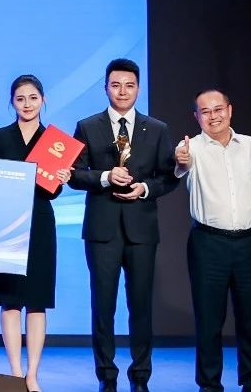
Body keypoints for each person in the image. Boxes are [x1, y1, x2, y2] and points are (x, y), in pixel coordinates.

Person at [68, 58, 180, 392]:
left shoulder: (156, 129)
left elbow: (169, 177)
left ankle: (140, 376)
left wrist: (144, 188)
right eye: (116, 85)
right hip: (101, 230)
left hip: (141, 230)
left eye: (129, 85)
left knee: (140, 306)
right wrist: (105, 177)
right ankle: (107, 376)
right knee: (102, 306)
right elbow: (74, 175)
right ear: (106, 88)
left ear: (138, 89)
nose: (122, 91)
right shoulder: (88, 126)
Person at [175, 89, 251, 392]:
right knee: (209, 318)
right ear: (196, 117)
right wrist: (181, 160)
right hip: (208, 243)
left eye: (218, 109)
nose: (213, 116)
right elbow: (180, 169)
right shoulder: (190, 148)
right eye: (205, 112)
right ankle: (209, 383)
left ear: (230, 110)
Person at [0, 75, 70, 392]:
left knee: (37, 302)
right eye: (20, 99)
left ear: (43, 100)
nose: (27, 104)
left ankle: (32, 374)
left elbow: (52, 193)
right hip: (5, 224)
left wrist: (61, 178)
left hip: (40, 223)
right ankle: (16, 373)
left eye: (33, 98)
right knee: (10, 301)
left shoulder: (55, 142)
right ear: (12, 102)